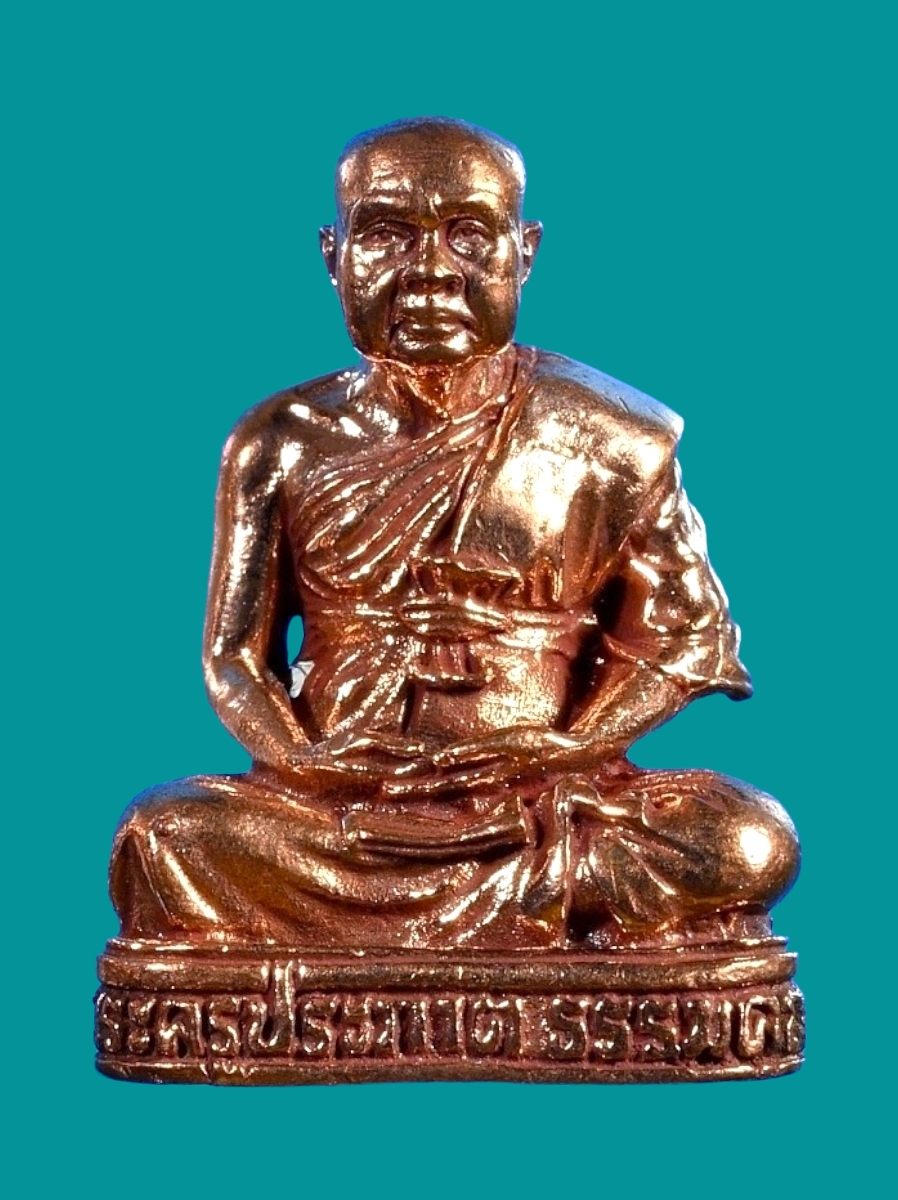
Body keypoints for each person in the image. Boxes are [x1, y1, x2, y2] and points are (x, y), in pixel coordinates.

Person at [110, 117, 799, 952]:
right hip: (343, 808)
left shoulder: (610, 438)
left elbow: (686, 639)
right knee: (162, 835)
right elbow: (233, 659)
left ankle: (465, 910)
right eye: (387, 235)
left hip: (544, 803)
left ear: (525, 252)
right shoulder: (279, 442)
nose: (431, 272)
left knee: (747, 841)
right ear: (334, 256)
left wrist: (569, 747)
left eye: (469, 236)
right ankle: (513, 913)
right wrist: (305, 764)